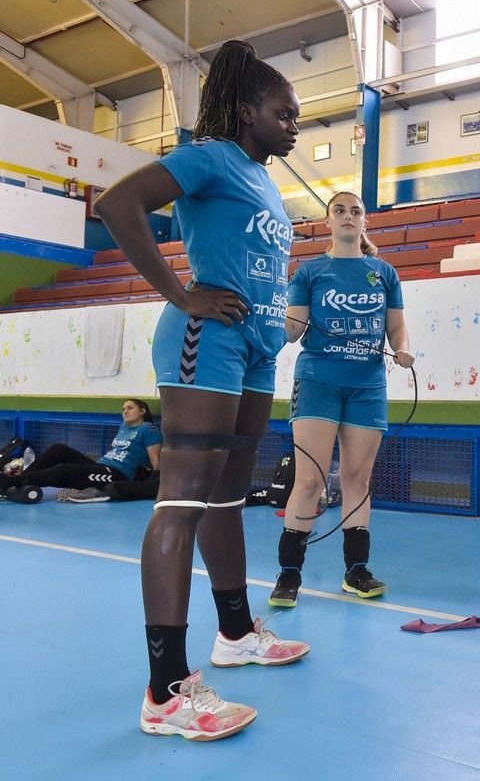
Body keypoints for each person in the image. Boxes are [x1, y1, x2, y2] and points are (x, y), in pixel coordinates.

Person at [95, 39, 309, 742]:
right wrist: (182, 293)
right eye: (284, 112)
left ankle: (237, 632)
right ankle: (165, 690)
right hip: (205, 342)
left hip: (253, 350)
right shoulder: (212, 155)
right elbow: (119, 202)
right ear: (247, 110)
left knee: (224, 496)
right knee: (182, 500)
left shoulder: (262, 179)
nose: (294, 124)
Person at [267, 191, 413, 607]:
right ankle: (289, 573)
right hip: (318, 382)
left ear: (365, 222)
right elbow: (293, 328)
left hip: (368, 386)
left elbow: (397, 329)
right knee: (309, 479)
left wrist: (403, 348)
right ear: (328, 222)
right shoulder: (309, 272)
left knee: (357, 479)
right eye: (340, 211)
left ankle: (356, 570)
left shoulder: (383, 273)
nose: (349, 217)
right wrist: (270, 336)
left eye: (356, 211)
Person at [0, 399, 160, 498]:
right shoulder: (124, 427)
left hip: (117, 474)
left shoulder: (148, 429)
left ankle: (9, 482)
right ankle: (19, 483)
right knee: (59, 449)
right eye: (123, 409)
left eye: (130, 408)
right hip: (102, 466)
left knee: (64, 470)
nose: (125, 411)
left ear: (143, 411)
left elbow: (156, 464)